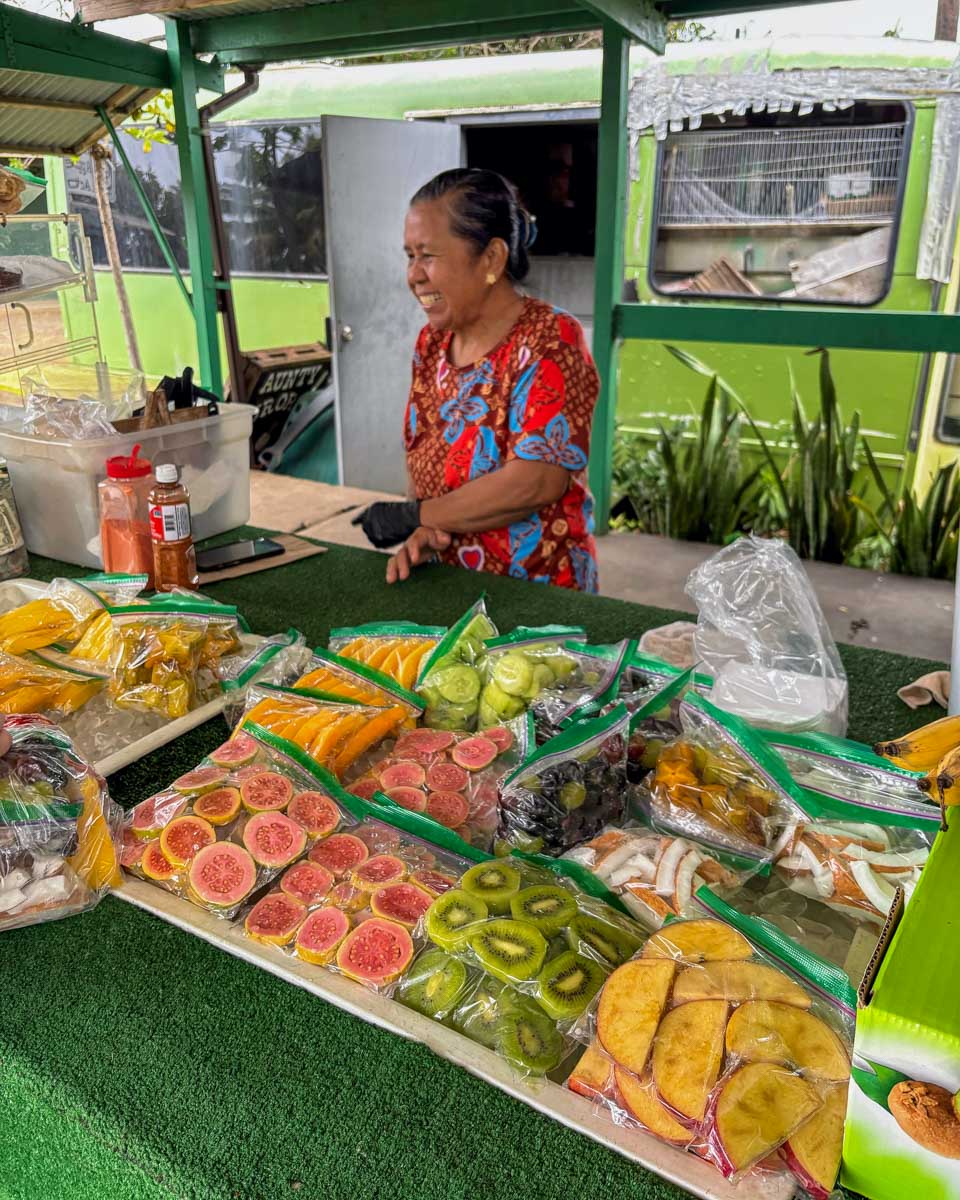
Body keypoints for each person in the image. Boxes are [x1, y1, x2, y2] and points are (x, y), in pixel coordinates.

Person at [355, 168, 600, 592]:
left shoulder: (550, 339)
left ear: (491, 259)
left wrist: (419, 515)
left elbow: (536, 481)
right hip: (453, 584)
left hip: (538, 595)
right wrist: (426, 532)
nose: (413, 275)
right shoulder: (431, 345)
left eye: (428, 255)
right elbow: (424, 458)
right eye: (409, 256)